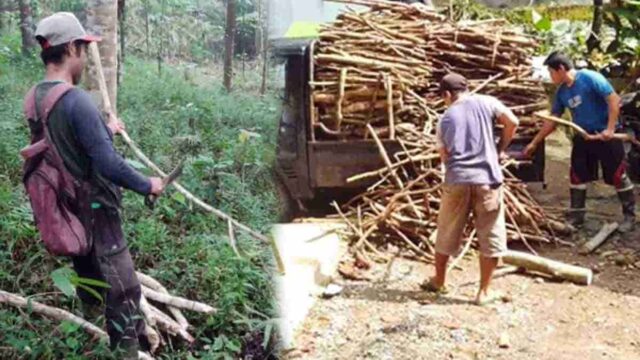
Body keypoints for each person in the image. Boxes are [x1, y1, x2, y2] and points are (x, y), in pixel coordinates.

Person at [28, 12, 164, 358]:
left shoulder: (36, 97)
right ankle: (127, 352)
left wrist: (105, 130)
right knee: (124, 289)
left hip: (67, 208)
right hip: (97, 210)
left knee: (92, 279)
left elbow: (63, 146)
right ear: (71, 47)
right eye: (84, 49)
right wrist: (147, 183)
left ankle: (89, 334)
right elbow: (107, 164)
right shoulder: (77, 101)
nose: (86, 57)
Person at [422, 73, 519, 305]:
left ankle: (439, 281)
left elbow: (444, 155)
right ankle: (483, 292)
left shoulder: (444, 118)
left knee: (446, 230)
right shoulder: (487, 102)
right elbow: (512, 121)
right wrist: (499, 149)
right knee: (490, 233)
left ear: (446, 94)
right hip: (487, 179)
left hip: (457, 179)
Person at [524, 51, 635, 232]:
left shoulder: (590, 78)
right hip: (584, 137)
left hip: (606, 135)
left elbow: (614, 100)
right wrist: (535, 142)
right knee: (577, 175)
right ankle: (577, 216)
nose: (550, 77)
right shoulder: (562, 92)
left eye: (551, 72)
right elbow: (553, 120)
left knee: (617, 175)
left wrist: (610, 129)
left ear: (561, 69)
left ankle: (629, 217)